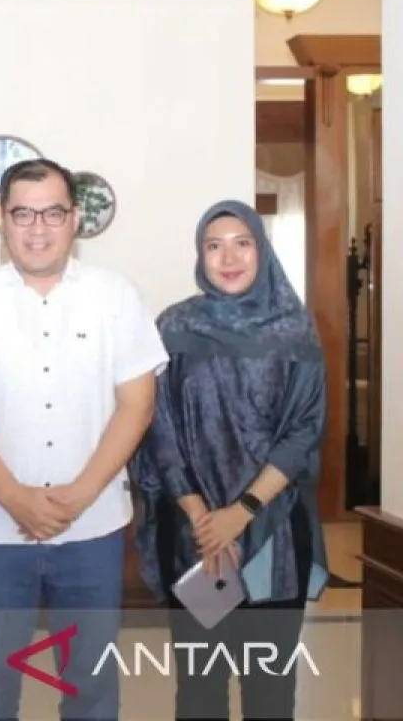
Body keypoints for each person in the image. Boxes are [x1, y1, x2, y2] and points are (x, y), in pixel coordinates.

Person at [0, 158, 168, 721]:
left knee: (90, 681)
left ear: (74, 219)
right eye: (23, 214)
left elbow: (137, 404)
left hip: (93, 526)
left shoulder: (116, 296)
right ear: (3, 220)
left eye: (53, 213)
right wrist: (14, 496)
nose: (37, 228)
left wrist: (79, 494)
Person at [129, 199, 330, 720]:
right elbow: (158, 427)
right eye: (213, 246)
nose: (229, 258)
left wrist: (241, 513)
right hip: (196, 538)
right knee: (200, 691)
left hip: (273, 533)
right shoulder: (175, 326)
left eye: (243, 243)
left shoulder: (295, 330)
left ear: (262, 250)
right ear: (200, 255)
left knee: (269, 694)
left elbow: (304, 430)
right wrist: (202, 517)